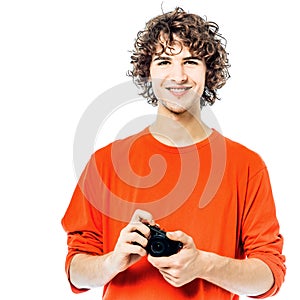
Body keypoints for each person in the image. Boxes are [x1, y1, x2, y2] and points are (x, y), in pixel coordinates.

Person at [61, 7, 286, 300]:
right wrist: (112, 261)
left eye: (190, 61)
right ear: (148, 71)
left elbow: (269, 276)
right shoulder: (105, 163)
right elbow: (75, 270)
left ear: (209, 72)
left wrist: (203, 264)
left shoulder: (246, 166)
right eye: (164, 61)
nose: (178, 76)